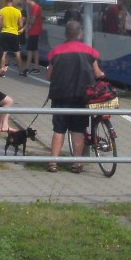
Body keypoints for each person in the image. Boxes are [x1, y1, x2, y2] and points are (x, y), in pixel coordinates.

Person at [44, 19, 102, 173]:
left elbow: (49, 76)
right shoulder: (90, 52)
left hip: (60, 97)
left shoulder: (56, 52)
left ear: (65, 34)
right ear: (80, 34)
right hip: (81, 97)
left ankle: (53, 163)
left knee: (59, 130)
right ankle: (76, 164)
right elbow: (97, 74)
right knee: (78, 131)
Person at [0, 0, 26, 76]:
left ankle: (2, 71)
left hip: (4, 33)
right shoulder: (18, 12)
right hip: (14, 33)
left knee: (4, 52)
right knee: (17, 53)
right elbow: (21, 25)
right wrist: (16, 27)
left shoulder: (1, 11)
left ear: (5, 0)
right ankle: (21, 72)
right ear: (13, 1)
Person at [24, 0, 44, 73]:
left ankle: (27, 67)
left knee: (29, 49)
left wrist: (27, 20)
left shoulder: (35, 7)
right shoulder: (34, 7)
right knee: (35, 49)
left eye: (25, 0)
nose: (24, 1)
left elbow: (32, 20)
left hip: (34, 31)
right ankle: (36, 67)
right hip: (35, 31)